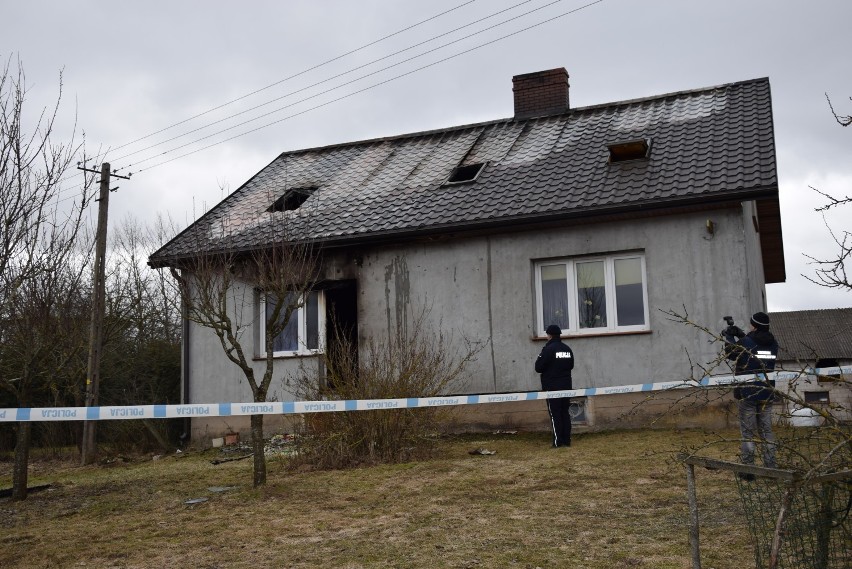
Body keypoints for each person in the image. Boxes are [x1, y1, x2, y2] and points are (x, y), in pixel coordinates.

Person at [723, 311, 779, 474]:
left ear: (754, 326)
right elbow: (755, 347)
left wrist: (729, 337)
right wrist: (741, 334)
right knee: (766, 432)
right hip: (766, 392)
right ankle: (771, 468)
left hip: (748, 392)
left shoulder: (746, 342)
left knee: (747, 432)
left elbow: (731, 354)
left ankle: (748, 469)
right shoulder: (773, 343)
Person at [535, 324, 575, 448]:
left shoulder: (548, 349)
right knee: (564, 413)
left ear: (550, 335)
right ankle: (566, 441)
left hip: (552, 387)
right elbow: (571, 366)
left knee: (555, 414)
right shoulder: (567, 349)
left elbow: (538, 367)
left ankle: (558, 442)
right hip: (566, 386)